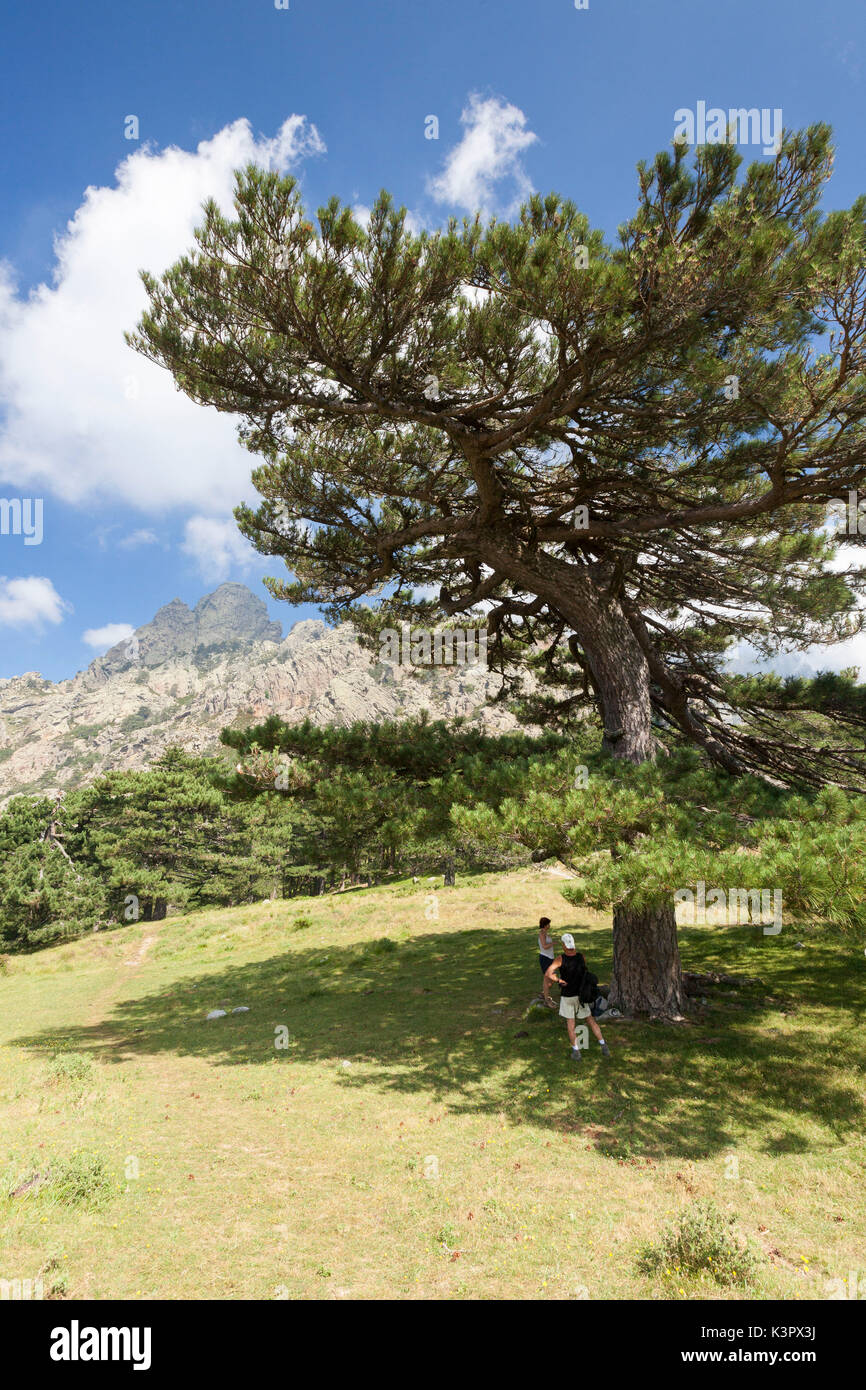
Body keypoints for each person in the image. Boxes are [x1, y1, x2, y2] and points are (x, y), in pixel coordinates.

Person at [545, 933, 611, 1062]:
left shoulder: (560, 959)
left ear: (564, 945)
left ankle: (576, 1052)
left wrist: (558, 980)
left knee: (571, 1024)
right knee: (591, 1021)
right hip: (582, 996)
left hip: (568, 996)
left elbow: (548, 973)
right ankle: (603, 1045)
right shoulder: (581, 957)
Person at [537, 916, 557, 1008]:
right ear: (545, 925)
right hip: (545, 958)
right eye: (548, 924)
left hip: (550, 958)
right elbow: (544, 946)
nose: (549, 925)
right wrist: (553, 943)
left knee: (552, 978)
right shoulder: (542, 934)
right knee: (548, 978)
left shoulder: (546, 933)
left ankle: (543, 993)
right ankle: (547, 1000)